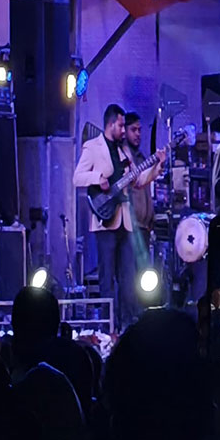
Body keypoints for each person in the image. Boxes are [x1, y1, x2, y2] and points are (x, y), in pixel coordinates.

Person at [72, 104, 156, 329]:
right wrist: (97, 178)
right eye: (121, 125)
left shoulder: (124, 152)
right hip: (105, 220)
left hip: (126, 222)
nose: (123, 129)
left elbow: (137, 181)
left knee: (128, 278)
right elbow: (77, 177)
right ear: (110, 125)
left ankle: (127, 324)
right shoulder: (93, 147)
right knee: (106, 278)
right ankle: (107, 328)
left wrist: (157, 166)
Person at [123, 111, 165, 281]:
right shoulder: (124, 159)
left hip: (145, 228)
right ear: (124, 131)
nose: (138, 134)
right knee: (131, 277)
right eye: (134, 130)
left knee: (144, 278)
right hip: (132, 228)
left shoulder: (141, 157)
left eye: (140, 130)